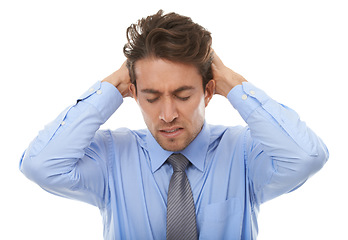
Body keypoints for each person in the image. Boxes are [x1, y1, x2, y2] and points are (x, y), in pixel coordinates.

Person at [20, 10, 329, 240]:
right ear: (133, 93)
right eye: (151, 97)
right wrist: (111, 87)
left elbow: (307, 157)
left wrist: (235, 85)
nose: (167, 114)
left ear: (208, 91)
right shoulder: (111, 157)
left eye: (182, 95)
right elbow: (40, 165)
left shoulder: (244, 152)